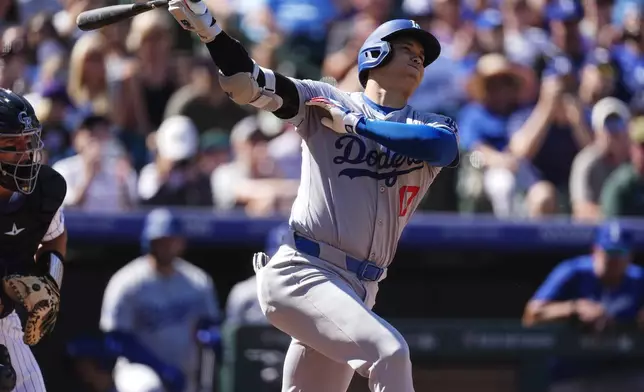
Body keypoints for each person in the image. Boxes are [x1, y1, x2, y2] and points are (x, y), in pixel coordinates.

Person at [168, 4, 459, 391]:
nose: (417, 59)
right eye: (407, 48)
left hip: (359, 291)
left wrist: (358, 126)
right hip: (305, 271)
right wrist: (208, 29)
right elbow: (246, 81)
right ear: (374, 54)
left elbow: (442, 148)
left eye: (422, 57)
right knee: (390, 353)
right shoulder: (325, 102)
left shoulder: (429, 125)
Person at [99, 208, 220, 392]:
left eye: (172, 240)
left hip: (186, 370)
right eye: (161, 241)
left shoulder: (197, 281)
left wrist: (209, 334)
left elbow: (209, 323)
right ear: (148, 241)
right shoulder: (127, 282)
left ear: (181, 243)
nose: (167, 246)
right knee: (148, 388)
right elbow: (116, 340)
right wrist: (160, 368)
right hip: (139, 369)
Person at [0, 88, 69, 391]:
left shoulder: (43, 190)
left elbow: (55, 237)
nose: (25, 152)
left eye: (27, 141)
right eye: (11, 144)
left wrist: (50, 283)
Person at [523, 221, 644, 392]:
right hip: (571, 374)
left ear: (630, 256)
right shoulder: (573, 272)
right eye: (609, 251)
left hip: (622, 373)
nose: (613, 258)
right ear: (595, 251)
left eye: (620, 252)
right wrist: (573, 308)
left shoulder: (639, 279)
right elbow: (531, 314)